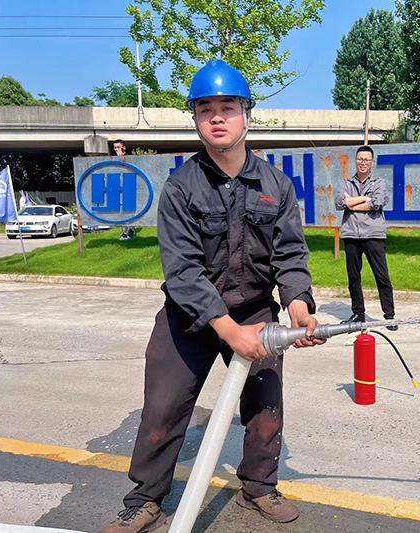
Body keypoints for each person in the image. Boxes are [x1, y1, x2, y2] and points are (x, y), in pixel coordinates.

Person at [101, 59, 324, 533]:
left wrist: (298, 305)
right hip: (190, 316)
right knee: (163, 408)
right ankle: (144, 500)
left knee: (265, 407)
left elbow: (290, 254)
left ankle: (258, 487)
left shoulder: (276, 186)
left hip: (256, 309)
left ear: (247, 115)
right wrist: (227, 329)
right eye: (205, 109)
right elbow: (182, 270)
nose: (217, 117)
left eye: (227, 108)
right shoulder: (181, 188)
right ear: (196, 119)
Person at [334, 145, 397, 331]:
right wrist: (364, 200)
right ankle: (358, 313)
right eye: (360, 159)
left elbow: (376, 203)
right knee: (353, 276)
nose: (363, 163)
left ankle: (389, 315)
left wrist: (352, 203)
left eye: (366, 160)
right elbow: (339, 202)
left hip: (373, 234)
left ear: (372, 163)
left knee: (381, 276)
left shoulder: (379, 182)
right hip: (351, 234)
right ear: (355, 161)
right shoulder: (346, 183)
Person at [114, 140, 136, 241]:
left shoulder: (129, 158)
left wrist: (121, 157)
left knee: (129, 210)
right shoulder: (113, 160)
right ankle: (124, 232)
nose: (116, 149)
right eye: (115, 148)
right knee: (121, 211)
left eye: (118, 147)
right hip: (119, 188)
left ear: (123, 148)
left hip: (129, 187)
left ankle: (130, 231)